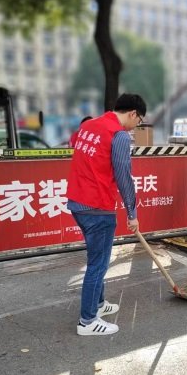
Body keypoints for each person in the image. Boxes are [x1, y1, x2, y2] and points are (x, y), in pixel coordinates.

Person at [67, 94, 146, 336]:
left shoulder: (89, 126)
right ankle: (88, 321)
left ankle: (99, 304)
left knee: (96, 258)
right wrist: (132, 212)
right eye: (139, 121)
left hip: (77, 203)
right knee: (98, 265)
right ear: (133, 113)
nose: (136, 126)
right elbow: (124, 176)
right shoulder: (118, 135)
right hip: (98, 207)